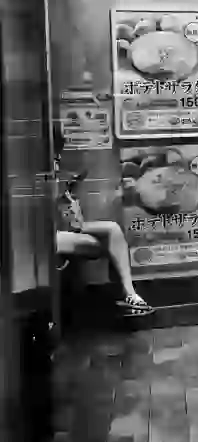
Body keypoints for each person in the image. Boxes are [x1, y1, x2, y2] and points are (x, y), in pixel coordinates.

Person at [53, 128, 153, 315]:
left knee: (112, 230)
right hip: (48, 235)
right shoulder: (40, 174)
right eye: (55, 157)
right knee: (100, 246)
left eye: (57, 157)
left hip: (64, 228)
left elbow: (75, 221)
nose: (57, 162)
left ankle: (130, 293)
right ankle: (123, 293)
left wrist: (71, 205)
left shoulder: (58, 175)